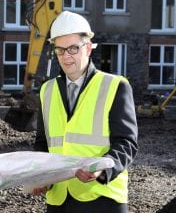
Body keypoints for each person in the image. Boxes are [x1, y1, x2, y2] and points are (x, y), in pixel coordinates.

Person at [33, 11, 138, 213]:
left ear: (88, 47)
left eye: (73, 48)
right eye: (60, 50)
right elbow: (42, 144)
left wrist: (103, 168)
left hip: (102, 197)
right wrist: (40, 177)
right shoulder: (47, 90)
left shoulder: (115, 85)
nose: (66, 56)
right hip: (59, 199)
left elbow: (126, 143)